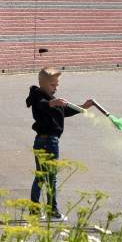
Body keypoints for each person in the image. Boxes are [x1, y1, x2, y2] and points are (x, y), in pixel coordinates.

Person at [26, 67, 94, 221]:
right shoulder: (38, 97)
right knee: (48, 177)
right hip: (48, 141)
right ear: (43, 84)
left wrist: (82, 107)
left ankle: (36, 210)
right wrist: (52, 103)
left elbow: (64, 112)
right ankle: (50, 211)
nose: (56, 87)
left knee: (42, 176)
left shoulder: (49, 98)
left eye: (57, 84)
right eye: (52, 84)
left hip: (43, 141)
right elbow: (42, 105)